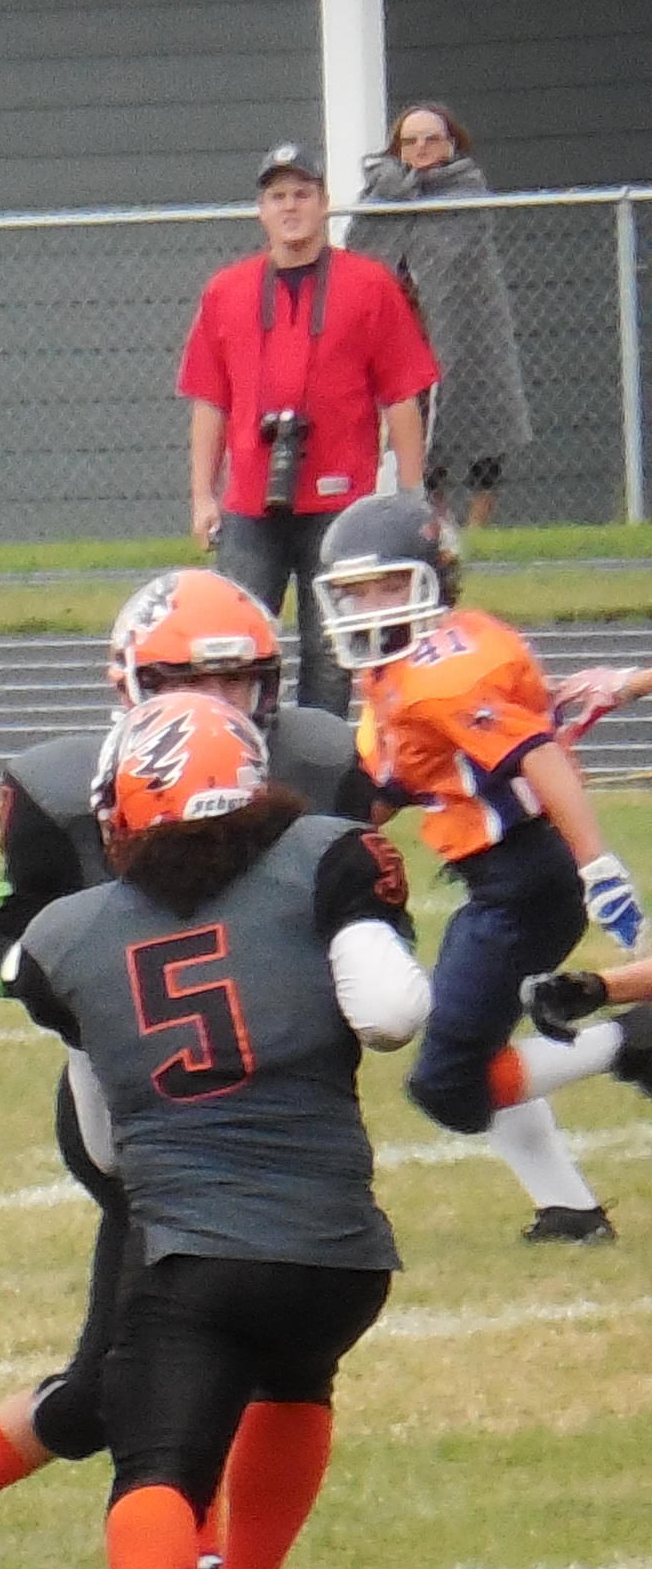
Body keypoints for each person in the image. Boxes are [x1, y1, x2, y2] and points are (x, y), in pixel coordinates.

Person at [0, 576, 376, 1569]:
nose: (217, 700)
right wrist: (87, 986)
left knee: (137, 1375)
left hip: (279, 1099)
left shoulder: (321, 763)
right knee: (160, 1367)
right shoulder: (69, 790)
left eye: (239, 678)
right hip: (152, 1109)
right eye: (186, 678)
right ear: (130, 685)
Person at [11, 696, 428, 1569]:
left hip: (197, 1245)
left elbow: (103, 1146)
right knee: (297, 1385)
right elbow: (389, 1013)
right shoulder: (327, 858)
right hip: (340, 1248)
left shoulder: (66, 937)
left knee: (157, 1460)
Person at [322, 488, 648, 1240]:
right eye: (356, 592)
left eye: (386, 587)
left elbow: (537, 756)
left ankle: (629, 1038)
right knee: (476, 1047)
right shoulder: (403, 670)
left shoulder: (445, 671)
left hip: (525, 881)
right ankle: (568, 1212)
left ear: (432, 578)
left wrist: (596, 863)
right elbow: (394, 784)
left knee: (449, 1084)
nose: (367, 607)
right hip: (504, 878)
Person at [178, 141, 436, 710]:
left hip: (341, 505)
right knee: (238, 643)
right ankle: (246, 753)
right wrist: (202, 495)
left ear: (324, 203)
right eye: (278, 196)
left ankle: (323, 758)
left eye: (302, 194)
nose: (290, 207)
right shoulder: (226, 291)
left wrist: (411, 493)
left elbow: (402, 396)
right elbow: (208, 401)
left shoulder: (369, 285)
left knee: (333, 649)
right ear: (260, 210)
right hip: (250, 503)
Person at [357, 102, 530, 534]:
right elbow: (364, 251)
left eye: (431, 139)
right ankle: (435, 521)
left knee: (482, 417)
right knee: (417, 423)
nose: (421, 148)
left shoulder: (466, 190)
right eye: (410, 141)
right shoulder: (380, 195)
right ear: (397, 148)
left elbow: (461, 253)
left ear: (451, 144)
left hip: (468, 325)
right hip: (406, 329)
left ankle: (477, 531)